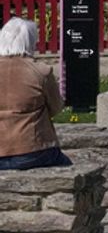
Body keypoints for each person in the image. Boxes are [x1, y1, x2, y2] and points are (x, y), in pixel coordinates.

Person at [0, 17, 72, 170]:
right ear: (31, 41)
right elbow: (56, 108)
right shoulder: (41, 71)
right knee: (74, 173)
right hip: (32, 150)